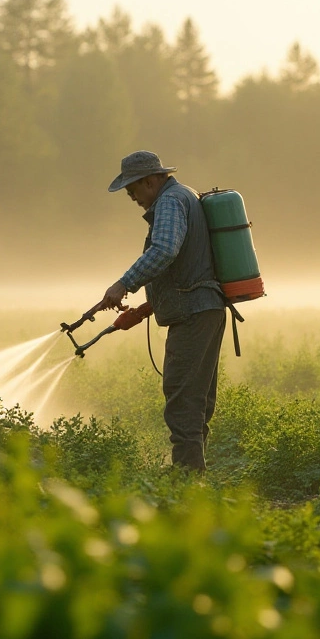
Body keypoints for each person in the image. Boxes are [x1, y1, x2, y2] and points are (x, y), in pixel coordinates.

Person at [97, 150, 226, 472]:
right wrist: (144, 308)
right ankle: (192, 470)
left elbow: (165, 249)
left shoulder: (169, 201)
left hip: (193, 312)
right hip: (204, 308)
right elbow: (187, 262)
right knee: (196, 397)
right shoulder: (186, 196)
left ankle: (186, 476)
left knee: (183, 396)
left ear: (150, 181)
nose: (133, 198)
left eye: (133, 190)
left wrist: (123, 284)